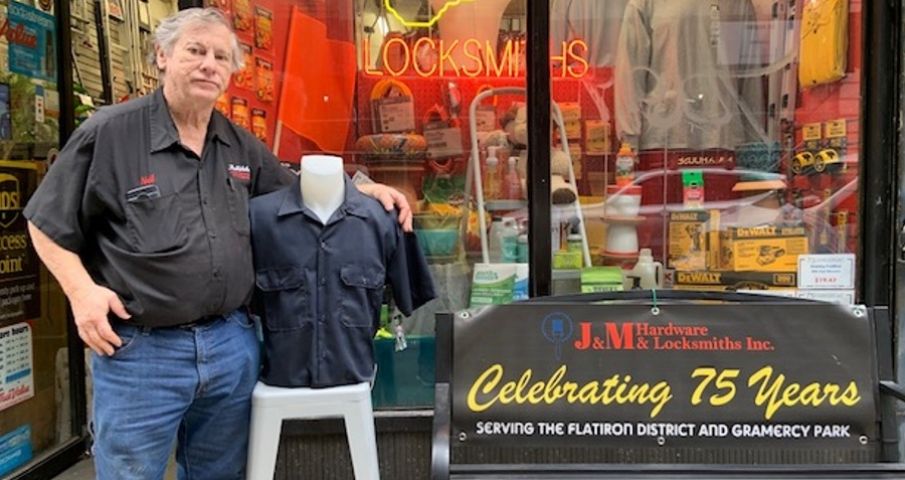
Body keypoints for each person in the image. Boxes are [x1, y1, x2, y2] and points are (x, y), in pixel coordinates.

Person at [23, 8, 411, 480]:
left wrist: (364, 188)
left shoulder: (238, 144)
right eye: (196, 51)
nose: (209, 64)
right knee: (130, 473)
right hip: (142, 353)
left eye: (221, 56)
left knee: (218, 474)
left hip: (230, 346)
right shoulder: (110, 133)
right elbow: (45, 220)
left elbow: (297, 188)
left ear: (231, 72)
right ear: (162, 56)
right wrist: (82, 294)